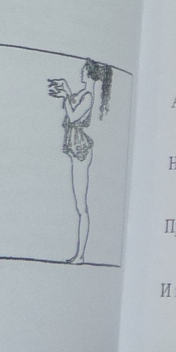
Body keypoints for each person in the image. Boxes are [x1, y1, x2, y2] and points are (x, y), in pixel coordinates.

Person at [49, 60, 111, 264]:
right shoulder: (84, 94)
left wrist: (66, 95)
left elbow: (74, 116)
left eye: (84, 70)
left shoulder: (89, 96)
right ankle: (80, 254)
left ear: (90, 74)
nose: (81, 72)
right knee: (79, 204)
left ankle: (81, 255)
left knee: (81, 205)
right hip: (76, 147)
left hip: (80, 149)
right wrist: (66, 92)